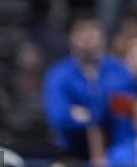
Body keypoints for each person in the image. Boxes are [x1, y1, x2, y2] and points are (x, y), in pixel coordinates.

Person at [43, 16, 127, 165]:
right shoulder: (58, 74)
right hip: (71, 150)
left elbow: (125, 111)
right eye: (82, 32)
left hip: (118, 147)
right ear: (71, 38)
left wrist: (88, 115)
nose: (87, 38)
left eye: (93, 32)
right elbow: (59, 116)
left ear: (103, 37)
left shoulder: (120, 70)